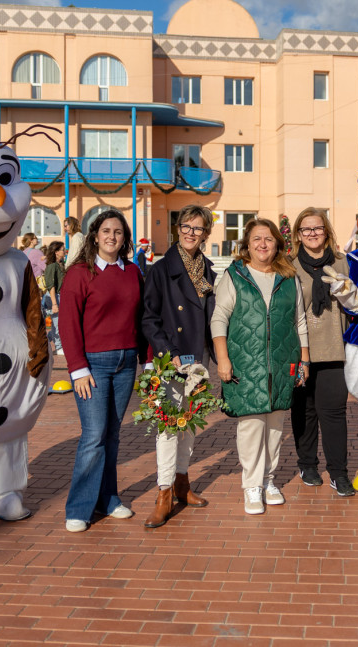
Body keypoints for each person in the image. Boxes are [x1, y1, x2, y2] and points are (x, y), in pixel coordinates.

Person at [212, 218, 309, 515]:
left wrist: (305, 360)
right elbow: (219, 318)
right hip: (245, 362)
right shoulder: (235, 275)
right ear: (247, 245)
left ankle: (268, 480)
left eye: (268, 239)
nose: (263, 244)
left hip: (283, 362)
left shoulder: (288, 277)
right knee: (252, 425)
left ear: (277, 245)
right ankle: (251, 486)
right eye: (256, 239)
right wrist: (223, 358)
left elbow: (300, 321)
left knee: (276, 427)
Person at [58, 208, 146, 532]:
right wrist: (78, 369)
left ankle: (108, 499)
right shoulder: (79, 273)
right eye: (106, 231)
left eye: (118, 232)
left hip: (126, 365)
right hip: (93, 366)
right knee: (94, 435)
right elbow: (67, 324)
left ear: (124, 239)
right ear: (95, 235)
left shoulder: (133, 272)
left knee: (112, 435)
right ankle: (79, 508)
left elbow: (143, 319)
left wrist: (147, 360)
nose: (112, 237)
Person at [141, 205, 218, 527]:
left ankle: (182, 484)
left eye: (198, 228)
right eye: (186, 226)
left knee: (187, 424)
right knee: (167, 429)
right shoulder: (161, 270)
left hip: (197, 360)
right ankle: (163, 492)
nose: (191, 232)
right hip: (170, 361)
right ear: (177, 228)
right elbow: (149, 317)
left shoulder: (209, 272)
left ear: (205, 234)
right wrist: (167, 351)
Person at [289, 207, 354, 496]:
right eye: (306, 229)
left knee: (334, 413)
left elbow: (357, 305)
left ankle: (339, 473)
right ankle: (307, 464)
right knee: (304, 411)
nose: (312, 233)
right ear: (298, 235)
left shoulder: (343, 264)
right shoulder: (288, 266)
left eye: (317, 228)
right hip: (299, 352)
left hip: (334, 350)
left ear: (326, 231)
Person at [42, 240, 65, 355]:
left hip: (59, 296)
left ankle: (47, 339)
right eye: (62, 249)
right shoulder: (52, 266)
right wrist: (54, 303)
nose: (64, 251)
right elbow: (51, 286)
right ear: (56, 252)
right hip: (54, 296)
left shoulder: (61, 264)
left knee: (61, 322)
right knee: (56, 322)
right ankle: (58, 347)